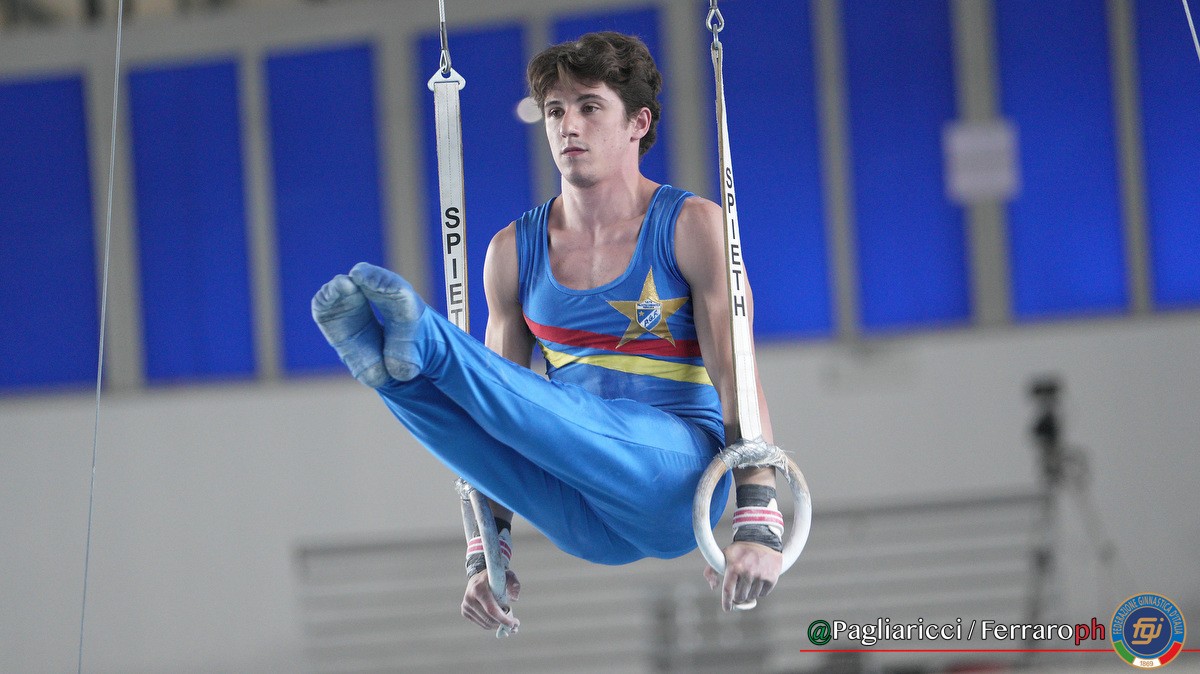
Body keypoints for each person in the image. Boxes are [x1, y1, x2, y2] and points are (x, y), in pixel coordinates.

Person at [312, 32, 784, 634]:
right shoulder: (513, 251)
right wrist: (485, 554)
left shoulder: (691, 227)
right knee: (485, 412)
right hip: (579, 514)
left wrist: (758, 519)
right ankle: (389, 374)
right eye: (556, 110)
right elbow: (498, 412)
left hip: (675, 484)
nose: (568, 126)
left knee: (544, 403)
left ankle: (426, 341)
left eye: (590, 107)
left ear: (638, 123)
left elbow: (737, 378)